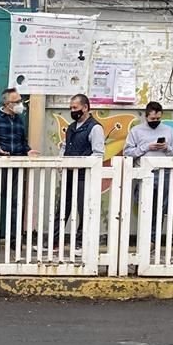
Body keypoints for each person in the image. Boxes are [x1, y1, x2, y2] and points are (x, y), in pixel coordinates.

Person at [0, 88, 39, 249]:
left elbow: (22, 141)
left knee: (16, 203)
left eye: (20, 101)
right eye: (16, 101)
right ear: (7, 103)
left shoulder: (19, 120)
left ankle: (14, 240)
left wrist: (27, 150)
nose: (20, 104)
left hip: (17, 165)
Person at [123, 101, 173, 240]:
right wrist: (147, 147)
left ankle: (153, 239)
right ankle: (143, 237)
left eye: (158, 119)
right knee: (143, 205)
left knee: (160, 207)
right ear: (146, 116)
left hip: (163, 172)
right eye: (152, 119)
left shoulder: (169, 131)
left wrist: (166, 148)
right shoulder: (136, 131)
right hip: (144, 172)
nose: (155, 121)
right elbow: (127, 152)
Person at [56, 94, 105, 248]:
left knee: (84, 209)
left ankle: (80, 242)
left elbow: (98, 154)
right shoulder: (71, 127)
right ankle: (54, 240)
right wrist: (62, 162)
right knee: (62, 207)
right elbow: (65, 146)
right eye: (71, 108)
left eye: (75, 108)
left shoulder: (95, 128)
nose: (72, 110)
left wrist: (79, 164)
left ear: (85, 108)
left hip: (85, 175)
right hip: (68, 173)